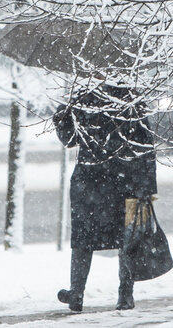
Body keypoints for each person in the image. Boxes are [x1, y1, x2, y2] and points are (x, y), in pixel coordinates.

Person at [52, 78, 157, 312]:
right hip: (125, 179)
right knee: (126, 238)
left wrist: (62, 112)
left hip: (90, 180)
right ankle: (125, 295)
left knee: (83, 239)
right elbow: (146, 144)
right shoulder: (131, 97)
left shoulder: (82, 95)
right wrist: (148, 189)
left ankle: (76, 293)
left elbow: (68, 139)